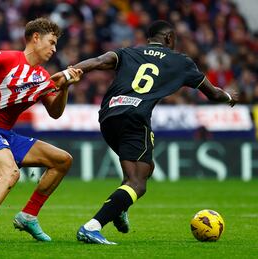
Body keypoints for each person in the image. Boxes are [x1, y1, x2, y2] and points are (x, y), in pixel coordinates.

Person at [69, 20, 238, 244]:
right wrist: (229, 97)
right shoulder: (180, 61)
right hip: (135, 117)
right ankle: (92, 227)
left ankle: (120, 208)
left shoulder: (129, 52)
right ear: (169, 38)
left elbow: (100, 61)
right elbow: (213, 94)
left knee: (145, 167)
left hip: (108, 115)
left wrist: (69, 73)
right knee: (137, 183)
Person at [0, 17, 82, 245]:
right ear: (35, 38)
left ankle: (28, 215)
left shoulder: (42, 77)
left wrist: (66, 88)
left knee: (63, 160)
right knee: (11, 173)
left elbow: (55, 112)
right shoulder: (7, 58)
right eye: (51, 42)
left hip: (6, 135)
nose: (54, 49)